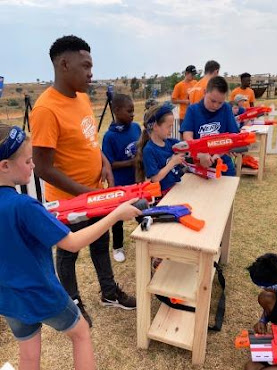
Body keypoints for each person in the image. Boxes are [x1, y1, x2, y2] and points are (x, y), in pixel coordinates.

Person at [0, 124, 142, 370]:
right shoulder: (24, 206)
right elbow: (73, 243)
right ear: (5, 166)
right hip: (41, 293)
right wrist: (115, 214)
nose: (32, 168)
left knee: (28, 355)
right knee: (81, 333)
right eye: (28, 161)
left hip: (8, 298)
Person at [30, 35, 136, 329]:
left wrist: (103, 162)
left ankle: (109, 293)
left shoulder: (84, 98)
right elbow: (42, 168)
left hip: (94, 192)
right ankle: (73, 302)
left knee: (100, 242)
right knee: (68, 252)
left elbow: (89, 141)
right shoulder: (45, 110)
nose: (91, 72)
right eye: (86, 65)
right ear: (64, 64)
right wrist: (87, 195)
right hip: (70, 202)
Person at [102, 94, 141, 263]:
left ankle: (147, 239)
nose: (133, 114)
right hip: (119, 185)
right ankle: (117, 247)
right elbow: (110, 164)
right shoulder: (109, 137)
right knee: (118, 219)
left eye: (133, 111)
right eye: (129, 111)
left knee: (142, 211)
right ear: (117, 111)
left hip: (137, 181)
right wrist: (131, 162)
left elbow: (141, 148)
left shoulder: (136, 128)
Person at [180, 76, 239, 176]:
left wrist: (219, 154)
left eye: (220, 102)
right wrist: (199, 155)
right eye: (212, 101)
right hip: (198, 167)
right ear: (204, 92)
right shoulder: (193, 110)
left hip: (222, 165)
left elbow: (233, 137)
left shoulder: (226, 109)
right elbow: (187, 137)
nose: (216, 105)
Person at [136, 103, 185, 194]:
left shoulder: (171, 142)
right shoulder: (149, 150)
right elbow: (155, 178)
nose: (171, 130)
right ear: (155, 127)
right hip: (163, 196)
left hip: (175, 189)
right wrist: (173, 162)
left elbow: (188, 146)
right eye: (169, 127)